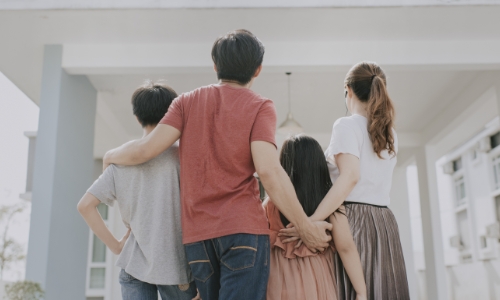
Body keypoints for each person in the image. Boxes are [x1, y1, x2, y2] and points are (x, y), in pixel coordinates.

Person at [101, 29, 332, 300]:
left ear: (215, 66)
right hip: (243, 232)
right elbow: (268, 170)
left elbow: (145, 149)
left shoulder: (185, 102)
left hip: (198, 238)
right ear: (257, 70)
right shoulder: (260, 106)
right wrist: (305, 227)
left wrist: (109, 156)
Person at [281, 61, 409, 299]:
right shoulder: (390, 133)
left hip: (353, 222)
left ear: (348, 90)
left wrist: (309, 223)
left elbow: (350, 177)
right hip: (384, 223)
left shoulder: (346, 125)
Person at [77, 82, 198, 300]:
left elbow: (85, 206)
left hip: (134, 265)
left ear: (137, 117)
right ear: (173, 114)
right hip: (176, 268)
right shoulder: (183, 157)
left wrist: (116, 246)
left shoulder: (120, 161)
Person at [265, 135, 367, 300]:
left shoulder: (272, 202)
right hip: (318, 282)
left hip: (277, 282)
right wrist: (361, 292)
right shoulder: (329, 203)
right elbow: (346, 247)